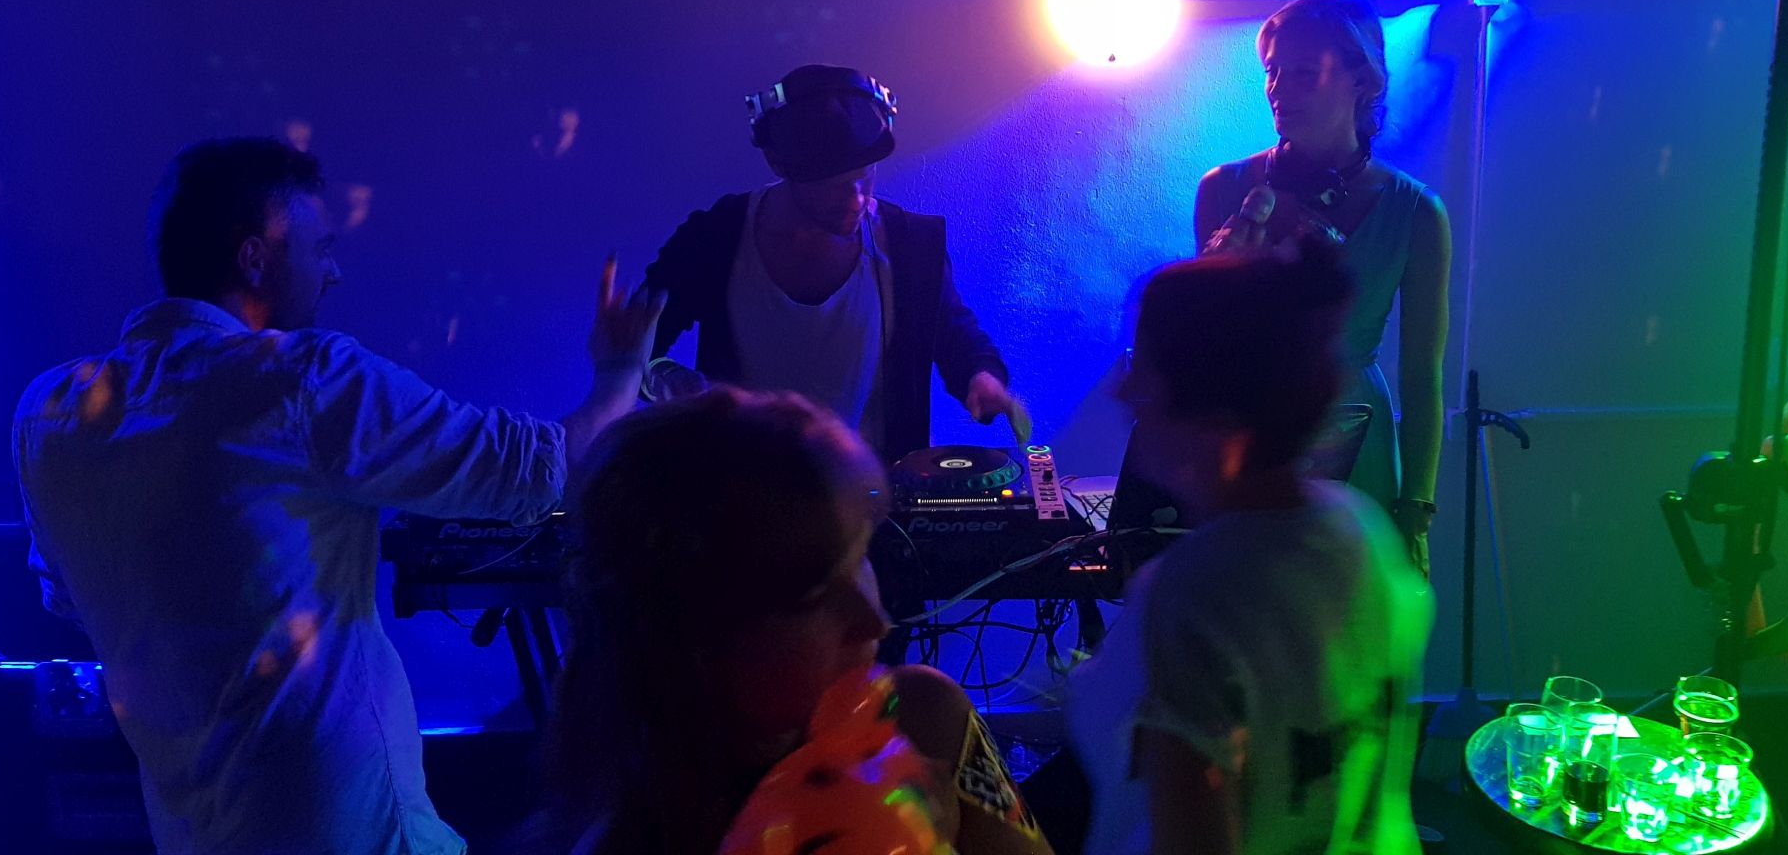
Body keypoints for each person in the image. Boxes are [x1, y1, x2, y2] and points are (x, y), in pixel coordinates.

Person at [13, 137, 662, 855]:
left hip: (191, 832)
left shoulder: (50, 414)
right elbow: (540, 469)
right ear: (255, 258)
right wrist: (619, 373)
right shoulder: (303, 379)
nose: (334, 272)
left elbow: (65, 600)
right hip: (341, 824)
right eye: (321, 249)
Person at [550, 386, 1053, 855]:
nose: (874, 623)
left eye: (860, 558)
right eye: (814, 599)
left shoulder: (928, 715)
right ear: (688, 638)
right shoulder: (622, 834)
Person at [1066, 249, 1432, 854]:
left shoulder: (1194, 596)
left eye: (1145, 367)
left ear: (1215, 410)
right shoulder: (1362, 530)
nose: (1124, 391)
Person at [641, 64, 1028, 464]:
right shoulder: (715, 237)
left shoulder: (910, 246)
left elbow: (953, 333)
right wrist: (672, 383)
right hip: (740, 491)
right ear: (778, 163)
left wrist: (981, 375)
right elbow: (636, 350)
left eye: (865, 176)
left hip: (873, 495)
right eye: (833, 187)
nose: (856, 199)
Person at [1189, 0, 1451, 575]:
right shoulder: (1224, 190)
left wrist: (1417, 510)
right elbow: (1197, 361)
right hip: (1249, 445)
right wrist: (1213, 287)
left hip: (1359, 448)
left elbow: (1421, 377)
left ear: (1362, 81)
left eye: (1304, 72)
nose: (1278, 90)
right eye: (1272, 71)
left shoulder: (1416, 212)